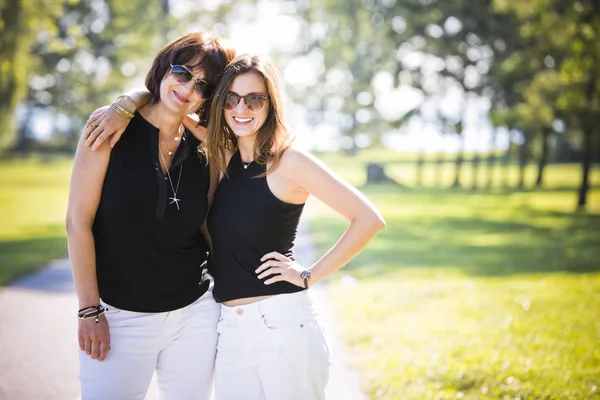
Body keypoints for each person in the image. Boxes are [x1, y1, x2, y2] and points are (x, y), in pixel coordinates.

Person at [85, 54, 386, 400]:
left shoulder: (290, 162)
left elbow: (368, 219)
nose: (241, 108)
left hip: (283, 325)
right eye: (231, 99)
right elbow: (172, 104)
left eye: (254, 99)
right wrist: (124, 104)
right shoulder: (223, 156)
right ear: (221, 105)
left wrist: (309, 275)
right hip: (230, 329)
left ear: (271, 104)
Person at [65, 32, 235, 400]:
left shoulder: (206, 149)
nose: (189, 87)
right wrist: (89, 310)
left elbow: (205, 225)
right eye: (183, 72)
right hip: (119, 315)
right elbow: (77, 222)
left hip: (194, 313)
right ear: (163, 67)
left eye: (203, 85)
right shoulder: (110, 128)